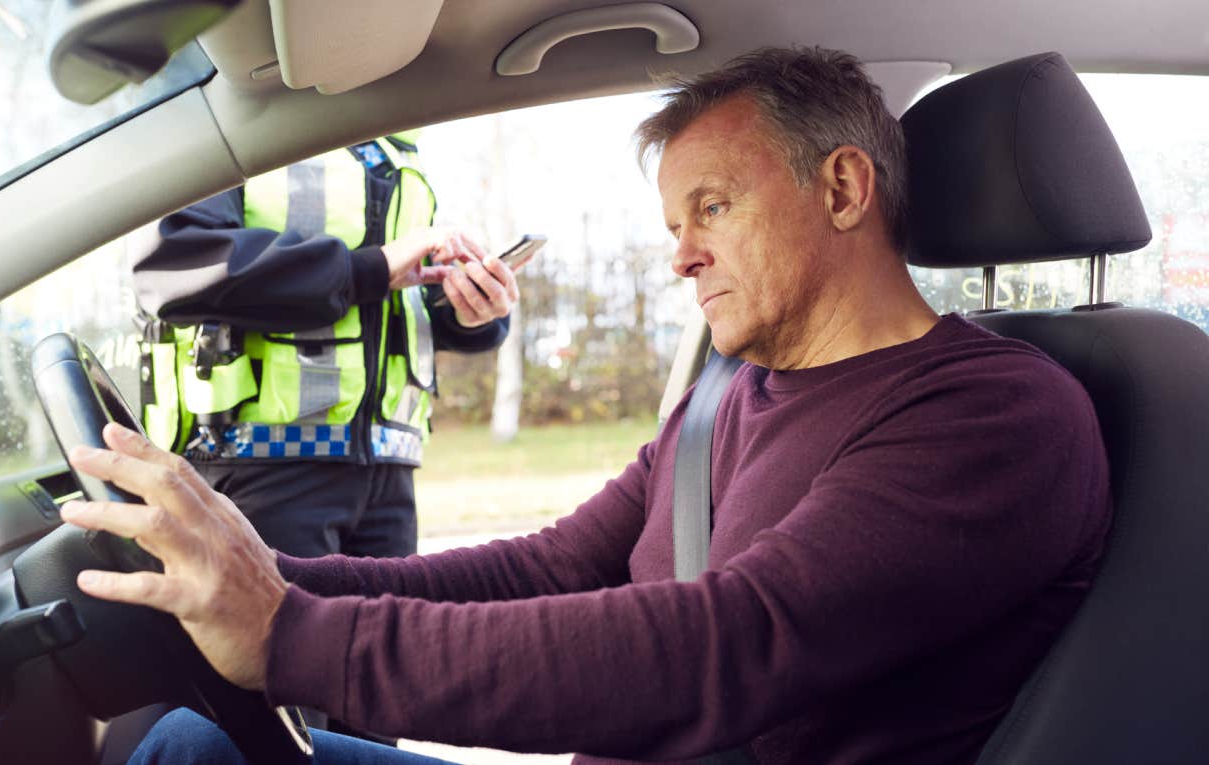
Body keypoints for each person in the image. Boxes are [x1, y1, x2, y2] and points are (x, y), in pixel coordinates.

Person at [66, 47, 1112, 764]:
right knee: (197, 747)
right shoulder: (728, 398)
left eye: (713, 206)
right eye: (674, 221)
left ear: (842, 190)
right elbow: (548, 568)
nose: (680, 255)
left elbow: (730, 643)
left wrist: (294, 638)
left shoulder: (996, 416)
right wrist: (264, 573)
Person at [131, 133, 521, 562]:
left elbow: (398, 303)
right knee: (279, 631)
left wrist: (467, 314)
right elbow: (176, 265)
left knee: (389, 630)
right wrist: (371, 268)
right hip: (258, 469)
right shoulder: (234, 132)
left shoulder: (396, 146)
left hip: (389, 475)